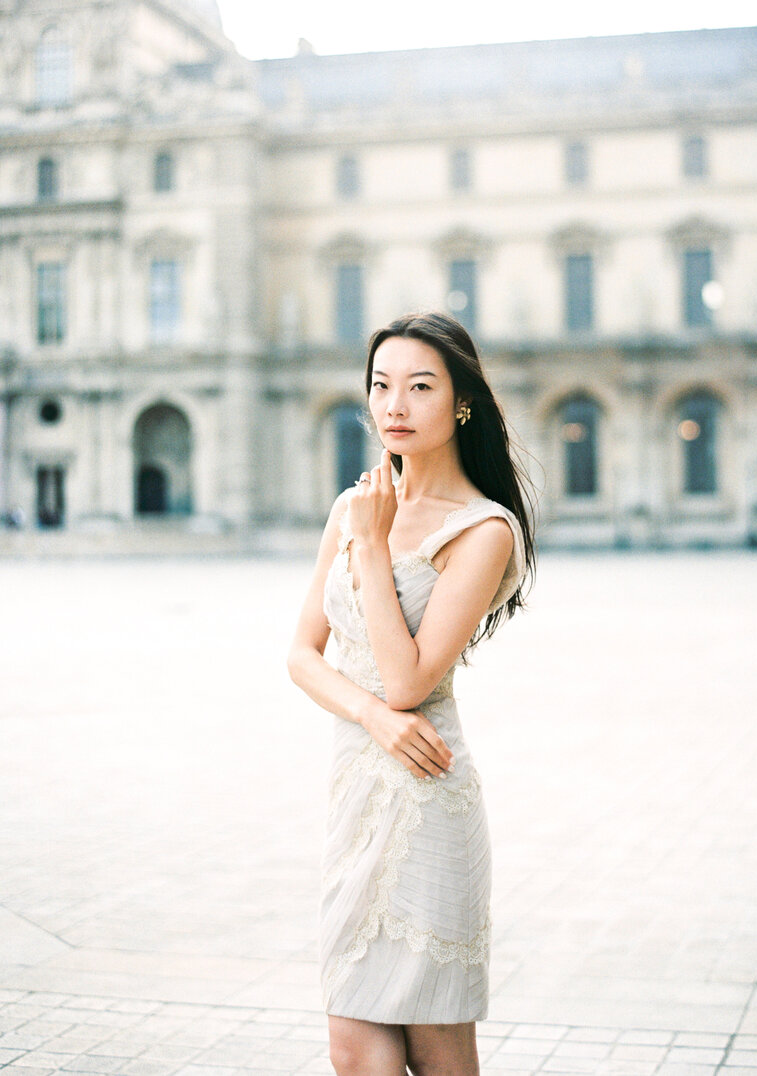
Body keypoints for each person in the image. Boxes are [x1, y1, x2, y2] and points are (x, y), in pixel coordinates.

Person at [288, 311, 536, 1075]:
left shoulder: (483, 530)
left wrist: (370, 546)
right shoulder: (354, 506)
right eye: (381, 385)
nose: (394, 405)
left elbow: (408, 680)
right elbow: (302, 655)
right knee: (352, 1049)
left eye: (419, 387)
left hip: (429, 797)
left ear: (461, 402)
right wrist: (369, 718)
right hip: (358, 791)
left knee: (438, 1051)